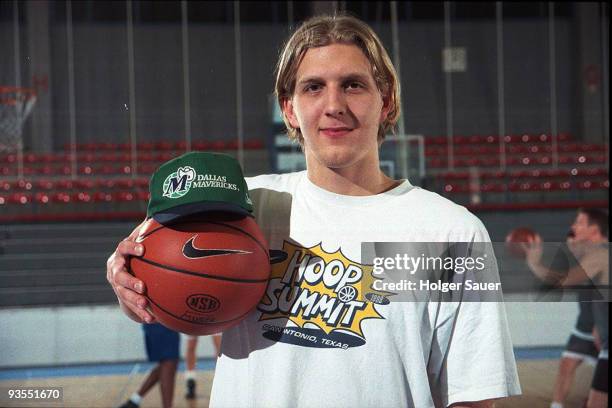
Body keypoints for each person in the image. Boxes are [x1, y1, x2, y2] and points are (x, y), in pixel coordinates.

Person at [107, 14, 520, 407]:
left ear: (388, 101)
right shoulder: (240, 207)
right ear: (289, 108)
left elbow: (473, 394)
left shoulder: (452, 232)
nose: (334, 104)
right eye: (313, 87)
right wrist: (125, 278)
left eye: (354, 85)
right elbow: (147, 271)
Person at [525, 208, 609, 408]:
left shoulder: (602, 255)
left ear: (594, 230)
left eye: (579, 222)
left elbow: (563, 280)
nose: (573, 226)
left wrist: (534, 263)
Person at [119, 323, 180, 408]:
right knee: (169, 362)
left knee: (167, 364)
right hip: (159, 320)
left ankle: (134, 401)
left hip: (163, 321)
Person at [184, 334, 222, 399]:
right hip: (195, 324)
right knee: (191, 345)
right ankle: (190, 380)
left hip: (212, 323)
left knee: (219, 345)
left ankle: (221, 380)